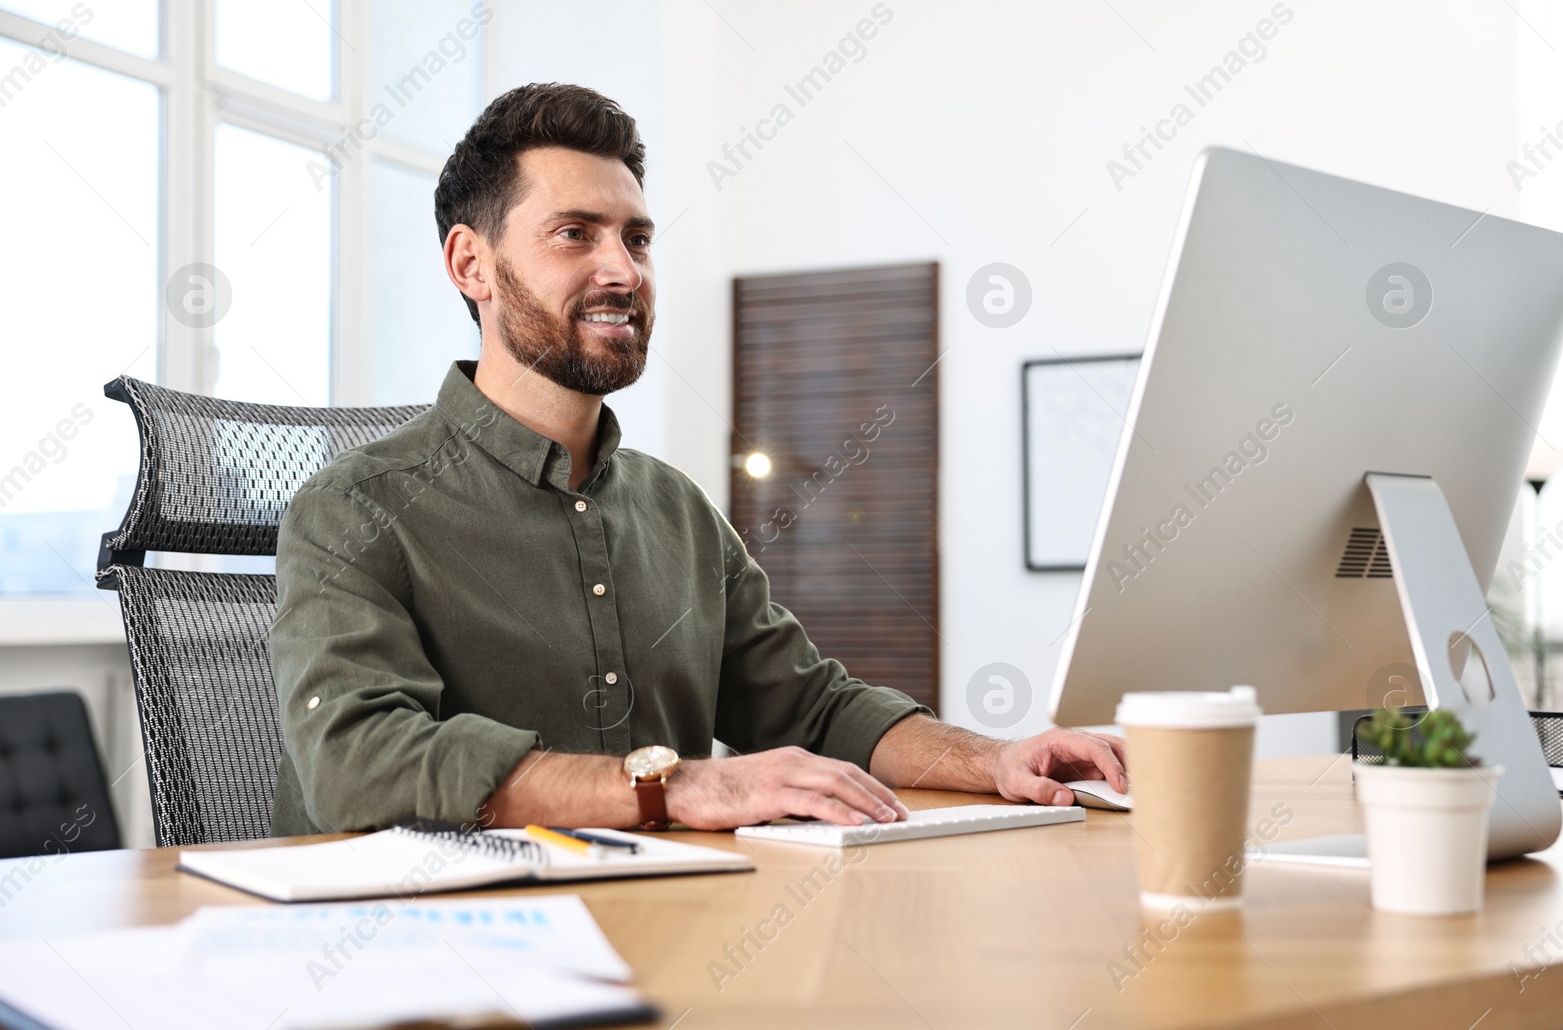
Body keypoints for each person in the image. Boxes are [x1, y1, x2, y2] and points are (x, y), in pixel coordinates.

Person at [268, 82, 1127, 836]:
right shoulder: (352, 507)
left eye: (637, 240)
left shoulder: (674, 510)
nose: (622, 270)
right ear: (471, 264)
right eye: (575, 233)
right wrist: (679, 786)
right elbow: (360, 763)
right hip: (432, 961)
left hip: (666, 927)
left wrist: (1001, 758)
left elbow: (811, 705)